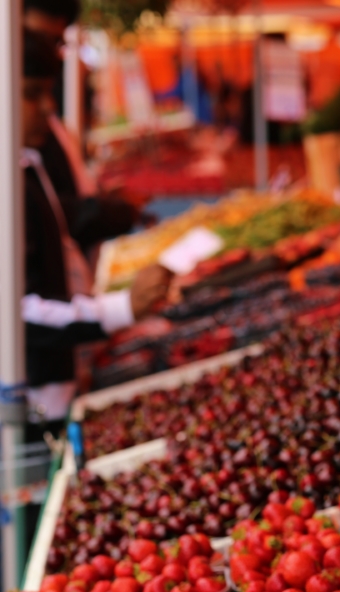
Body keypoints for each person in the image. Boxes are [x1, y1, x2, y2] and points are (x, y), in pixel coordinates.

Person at [22, 30, 171, 427]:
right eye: (31, 94)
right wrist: (120, 309)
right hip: (31, 396)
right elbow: (18, 313)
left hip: (57, 377)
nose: (47, 108)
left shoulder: (27, 165)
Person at [23, 0, 139, 253]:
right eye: (40, 38)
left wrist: (99, 200)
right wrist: (110, 212)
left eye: (58, 43)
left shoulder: (44, 122)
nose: (51, 54)